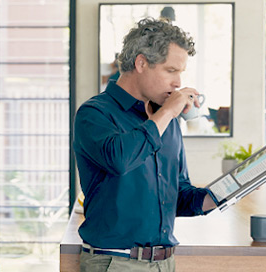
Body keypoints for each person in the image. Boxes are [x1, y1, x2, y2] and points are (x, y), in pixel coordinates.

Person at [73, 17, 216, 272]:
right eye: (171, 70)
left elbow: (178, 194)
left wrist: (221, 195)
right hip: (115, 263)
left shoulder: (167, 121)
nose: (178, 82)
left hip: (165, 263)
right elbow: (119, 159)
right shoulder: (94, 114)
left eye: (180, 72)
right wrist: (167, 114)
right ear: (141, 63)